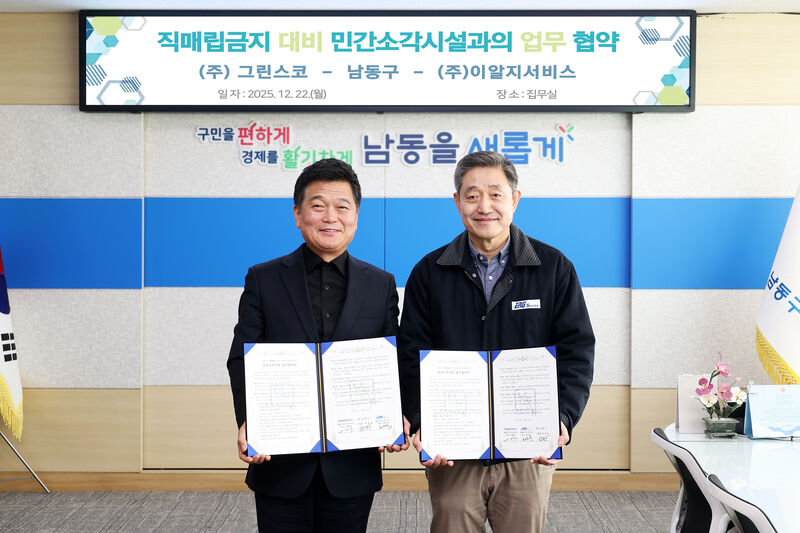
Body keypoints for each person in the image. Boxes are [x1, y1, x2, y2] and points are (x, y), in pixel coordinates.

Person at [398, 151, 595, 533]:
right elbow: (410, 355)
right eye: (472, 196)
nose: (484, 206)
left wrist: (562, 417)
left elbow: (577, 351)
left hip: (528, 450)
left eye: (495, 194)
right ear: (457, 202)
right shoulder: (429, 272)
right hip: (453, 450)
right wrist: (422, 422)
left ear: (515, 200)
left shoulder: (553, 268)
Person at [227, 158, 407, 533]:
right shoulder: (263, 279)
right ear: (298, 214)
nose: (330, 217)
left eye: (342, 206)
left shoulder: (381, 284)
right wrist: (248, 420)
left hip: (352, 462)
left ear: (356, 216)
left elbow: (393, 360)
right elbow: (242, 358)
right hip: (280, 459)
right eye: (318, 205)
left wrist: (397, 417)